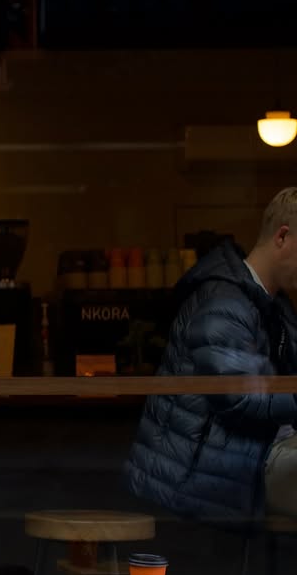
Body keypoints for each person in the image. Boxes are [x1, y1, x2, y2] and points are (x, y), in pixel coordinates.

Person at [125, 187, 297, 525]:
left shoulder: (275, 307)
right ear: (283, 237)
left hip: (245, 460)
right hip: (199, 475)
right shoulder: (224, 301)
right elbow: (238, 399)